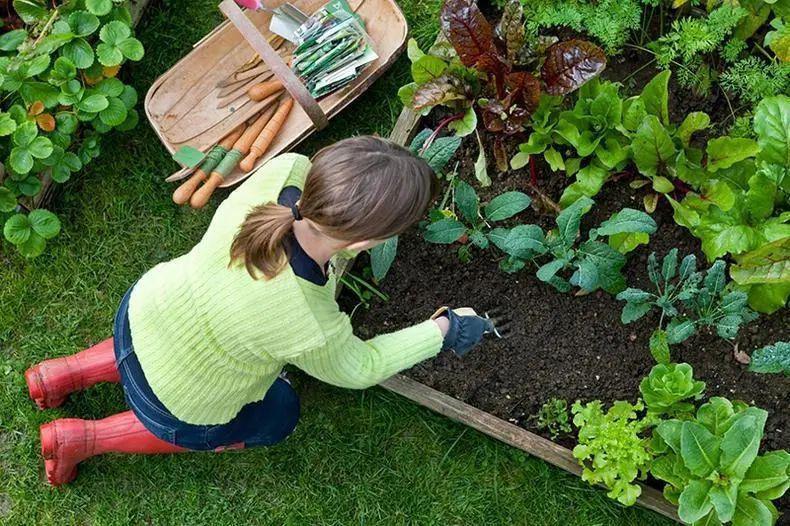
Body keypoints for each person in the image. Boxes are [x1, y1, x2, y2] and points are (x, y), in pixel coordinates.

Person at [25, 136, 498, 486]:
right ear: (363, 244)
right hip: (176, 400)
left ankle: (60, 374)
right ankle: (82, 439)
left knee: (164, 340)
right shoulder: (309, 322)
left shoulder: (284, 172)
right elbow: (361, 367)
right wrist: (442, 330)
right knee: (278, 414)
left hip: (145, 309)